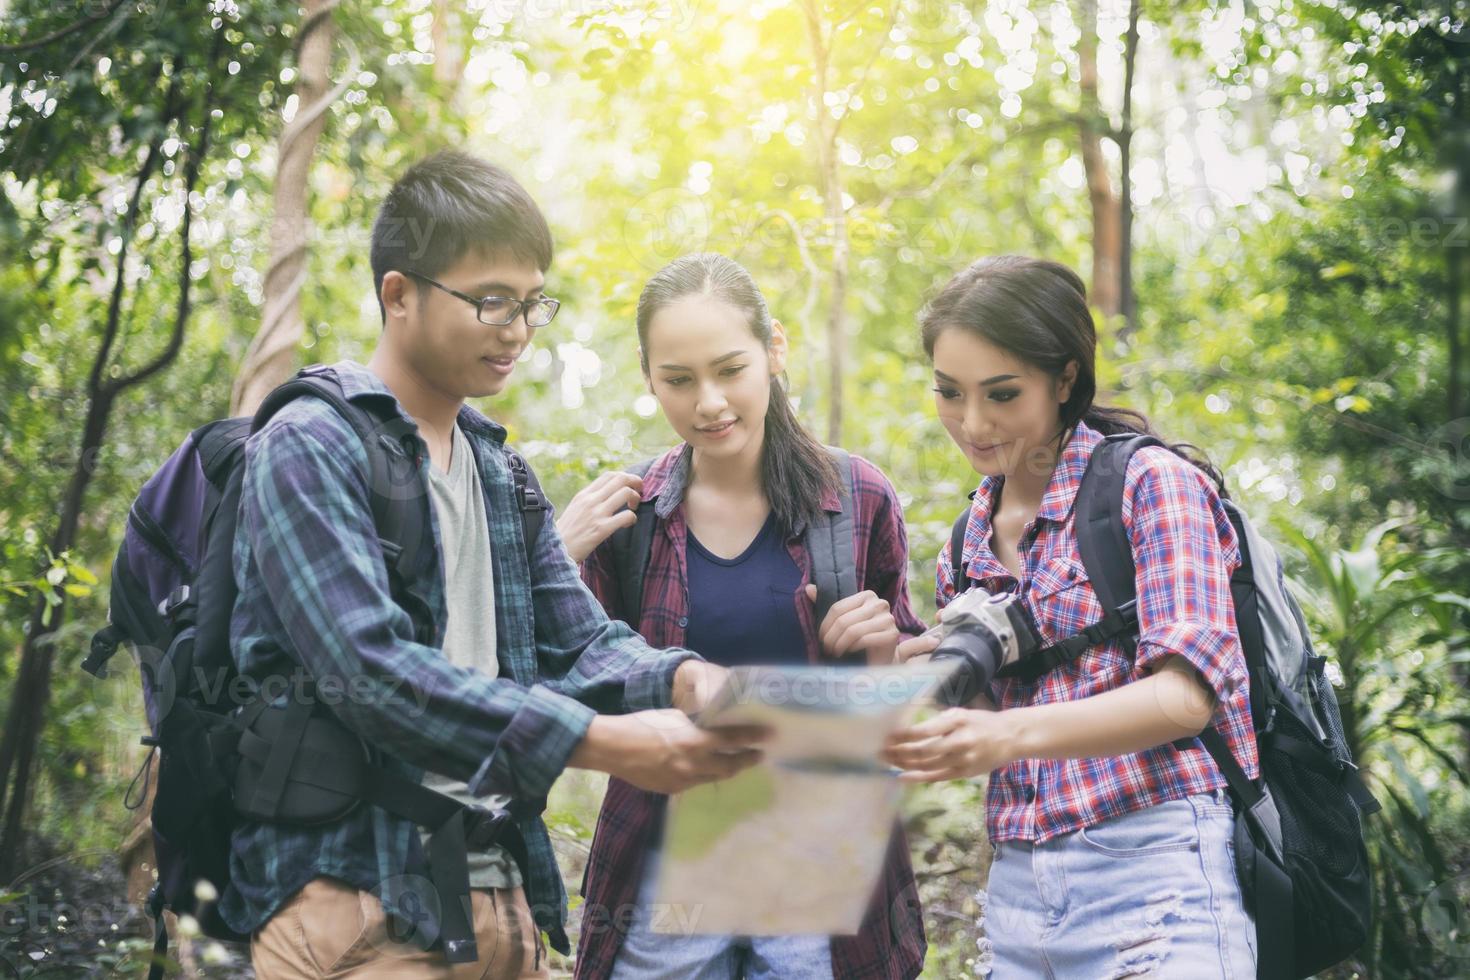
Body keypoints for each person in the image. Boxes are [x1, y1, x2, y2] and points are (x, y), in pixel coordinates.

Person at [225, 153, 762, 979]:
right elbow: (370, 672)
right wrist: (608, 742)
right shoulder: (310, 445)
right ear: (399, 294)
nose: (515, 328)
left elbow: (579, 644)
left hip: (495, 891)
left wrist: (693, 682)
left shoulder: (497, 470)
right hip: (353, 900)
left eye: (529, 302)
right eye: (489, 301)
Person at [883, 255, 1259, 977]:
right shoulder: (967, 541)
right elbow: (1006, 713)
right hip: (1018, 895)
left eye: (1001, 393)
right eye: (949, 394)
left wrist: (1002, 733)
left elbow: (1185, 697)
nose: (972, 422)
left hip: (1155, 875)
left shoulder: (1150, 485)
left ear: (1063, 379)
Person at [556, 252, 929, 980]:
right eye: (679, 379)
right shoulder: (628, 520)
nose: (709, 403)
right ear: (647, 377)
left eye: (730, 369)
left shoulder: (857, 498)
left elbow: (905, 708)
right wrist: (558, 557)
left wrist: (882, 654)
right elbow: (576, 687)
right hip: (665, 868)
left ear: (774, 350)